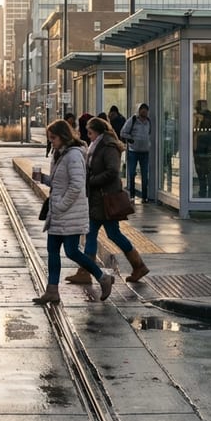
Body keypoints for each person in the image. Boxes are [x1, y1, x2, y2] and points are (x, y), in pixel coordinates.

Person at [33, 119, 114, 304]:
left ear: (63, 136)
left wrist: (60, 205)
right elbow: (60, 183)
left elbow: (77, 186)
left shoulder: (74, 155)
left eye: (53, 138)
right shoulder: (59, 154)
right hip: (58, 213)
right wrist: (44, 179)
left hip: (70, 213)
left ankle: (103, 277)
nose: (51, 141)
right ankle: (52, 290)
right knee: (52, 250)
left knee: (71, 251)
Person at [65, 117, 150, 286]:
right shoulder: (96, 146)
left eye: (90, 133)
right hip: (98, 199)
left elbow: (112, 171)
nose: (88, 136)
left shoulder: (109, 146)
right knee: (105, 233)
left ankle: (88, 272)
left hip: (105, 198)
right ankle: (137, 265)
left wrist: (91, 180)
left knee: (103, 233)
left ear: (98, 131)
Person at [120, 103, 152, 202]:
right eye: (142, 110)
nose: (144, 112)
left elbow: (149, 133)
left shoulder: (148, 122)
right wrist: (131, 140)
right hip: (133, 151)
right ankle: (132, 195)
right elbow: (123, 132)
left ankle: (144, 196)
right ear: (139, 110)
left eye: (146, 110)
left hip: (145, 152)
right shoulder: (132, 120)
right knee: (132, 173)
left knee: (145, 174)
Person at [193, 100, 211, 198]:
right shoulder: (198, 117)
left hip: (206, 148)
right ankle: (204, 192)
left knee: (208, 172)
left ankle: (209, 194)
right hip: (200, 148)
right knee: (202, 172)